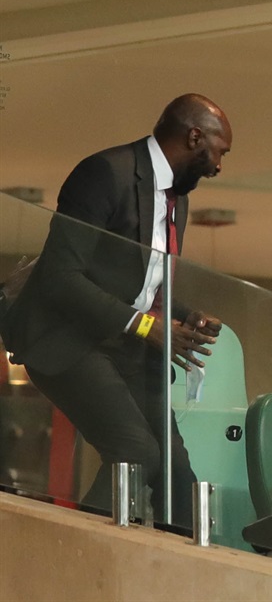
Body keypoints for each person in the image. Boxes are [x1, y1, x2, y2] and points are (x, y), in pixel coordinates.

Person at [2, 94, 232, 524]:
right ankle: (73, 558)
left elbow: (141, 286)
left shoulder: (176, 196)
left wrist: (185, 313)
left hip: (123, 340)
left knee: (176, 473)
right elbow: (60, 276)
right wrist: (146, 326)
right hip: (66, 336)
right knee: (134, 452)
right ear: (195, 136)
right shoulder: (105, 173)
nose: (219, 165)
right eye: (219, 152)